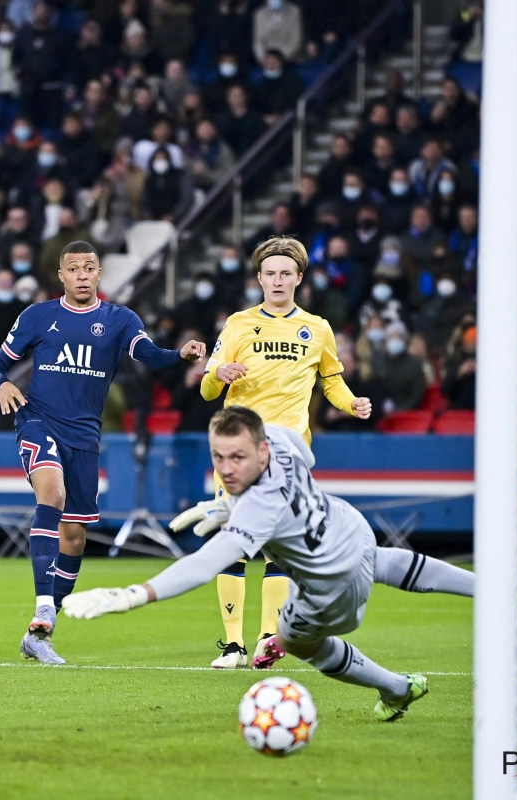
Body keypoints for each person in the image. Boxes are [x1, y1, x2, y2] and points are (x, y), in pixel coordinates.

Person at [64, 407, 517, 721]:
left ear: (259, 449)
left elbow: (204, 563)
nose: (227, 468)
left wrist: (132, 595)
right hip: (351, 528)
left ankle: (396, 688)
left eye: (237, 457)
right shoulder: (280, 437)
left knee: (298, 641)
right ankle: (510, 596)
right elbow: (302, 465)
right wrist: (227, 504)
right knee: (397, 564)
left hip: (332, 586)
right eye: (219, 458)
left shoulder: (258, 508)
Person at [0, 241, 206, 664]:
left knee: (75, 537)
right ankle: (45, 609)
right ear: (62, 276)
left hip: (85, 437)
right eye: (75, 269)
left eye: (90, 268)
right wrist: (4, 384)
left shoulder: (119, 320)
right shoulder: (38, 316)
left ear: (99, 273)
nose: (83, 275)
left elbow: (149, 356)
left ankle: (39, 635)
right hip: (38, 422)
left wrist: (179, 354)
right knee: (51, 495)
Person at [197, 236, 371, 669]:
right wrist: (219, 372)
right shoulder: (238, 324)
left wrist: (350, 403)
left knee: (279, 548)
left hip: (289, 453)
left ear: (298, 279)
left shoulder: (317, 329)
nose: (277, 280)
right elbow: (206, 389)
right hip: (239, 451)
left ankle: (265, 639)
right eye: (270, 273)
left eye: (285, 274)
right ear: (259, 278)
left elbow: (331, 381)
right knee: (234, 543)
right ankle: (233, 644)